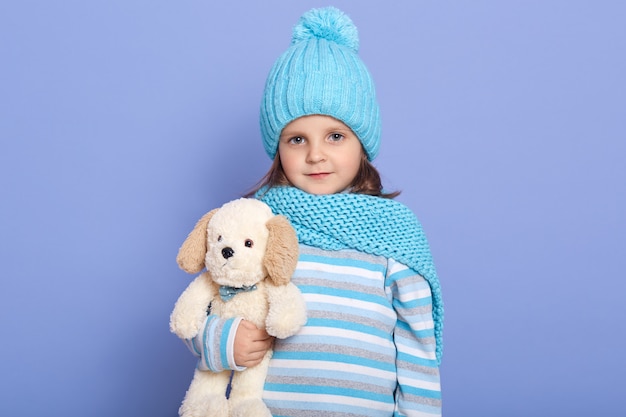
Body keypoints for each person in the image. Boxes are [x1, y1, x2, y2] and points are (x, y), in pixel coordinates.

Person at [179, 7, 443, 416]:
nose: (316, 154)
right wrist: (224, 342)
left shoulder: (393, 235)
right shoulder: (258, 225)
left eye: (335, 136)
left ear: (362, 143)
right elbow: (202, 311)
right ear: (278, 148)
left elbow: (418, 352)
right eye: (297, 139)